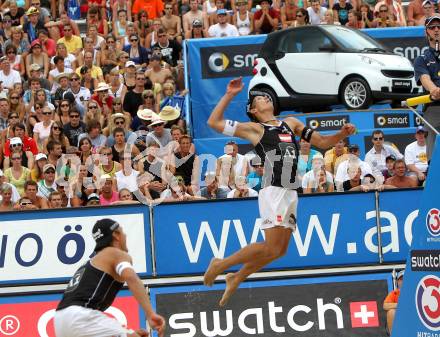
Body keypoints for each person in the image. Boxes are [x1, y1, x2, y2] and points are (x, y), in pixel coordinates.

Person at [203, 77, 356, 306]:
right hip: (273, 188)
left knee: (279, 251)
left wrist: (341, 134)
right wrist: (229, 95)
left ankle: (237, 276)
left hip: (291, 190)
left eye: (265, 95)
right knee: (269, 246)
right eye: (258, 98)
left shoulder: (291, 123)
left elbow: (323, 142)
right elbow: (214, 122)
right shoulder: (255, 129)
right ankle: (220, 265)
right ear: (254, 110)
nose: (264, 97)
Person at [54, 218, 165, 337]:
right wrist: (150, 313)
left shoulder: (93, 262)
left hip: (60, 320)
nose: (125, 235)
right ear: (116, 235)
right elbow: (131, 278)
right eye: (122, 232)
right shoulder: (115, 253)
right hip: (81, 315)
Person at [414, 14, 440, 161]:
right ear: (426, 32)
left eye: (439, 27)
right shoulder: (422, 59)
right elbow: (424, 78)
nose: (436, 30)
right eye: (432, 27)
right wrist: (434, 90)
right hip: (433, 107)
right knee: (433, 156)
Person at [383, 270, 404, 334]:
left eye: (405, 279)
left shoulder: (414, 292)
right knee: (391, 312)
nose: (403, 281)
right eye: (401, 279)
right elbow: (385, 305)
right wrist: (400, 305)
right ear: (397, 282)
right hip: (400, 320)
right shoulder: (395, 293)